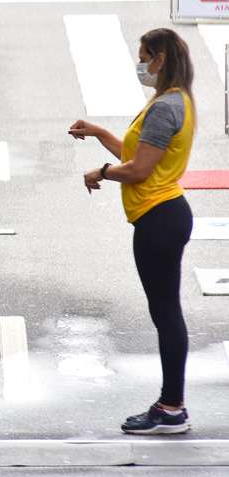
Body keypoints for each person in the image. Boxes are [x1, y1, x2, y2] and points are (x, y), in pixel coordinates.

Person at [69, 28, 195, 435]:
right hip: (164, 213)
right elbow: (138, 153)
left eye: (143, 56)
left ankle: (172, 407)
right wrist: (100, 134)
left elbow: (137, 170)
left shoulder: (165, 107)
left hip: (159, 217)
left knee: (166, 313)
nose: (139, 64)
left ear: (159, 58)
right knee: (166, 312)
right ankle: (171, 404)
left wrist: (101, 172)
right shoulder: (175, 100)